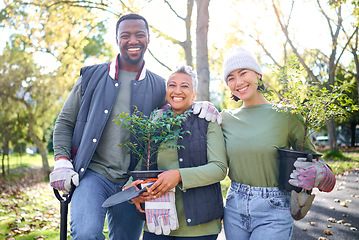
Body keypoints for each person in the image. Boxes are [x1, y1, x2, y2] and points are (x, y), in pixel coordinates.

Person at [49, 13, 219, 240]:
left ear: (148, 38)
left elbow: (177, 106)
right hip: (94, 174)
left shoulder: (160, 85)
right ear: (116, 39)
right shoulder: (91, 77)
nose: (133, 40)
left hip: (134, 180)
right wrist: (62, 160)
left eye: (139, 35)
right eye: (125, 35)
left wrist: (201, 106)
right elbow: (64, 122)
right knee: (86, 234)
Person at [220, 47, 336, 240]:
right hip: (234, 206)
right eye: (230, 78)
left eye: (243, 73)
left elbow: (313, 159)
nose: (238, 82)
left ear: (258, 74)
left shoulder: (287, 115)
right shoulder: (225, 118)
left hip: (274, 209)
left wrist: (321, 174)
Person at [128, 65, 228, 240]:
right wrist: (133, 192)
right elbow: (144, 164)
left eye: (185, 86)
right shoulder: (156, 121)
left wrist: (179, 175)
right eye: (172, 85)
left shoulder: (207, 120)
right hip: (157, 221)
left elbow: (219, 168)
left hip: (200, 225)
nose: (178, 91)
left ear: (194, 93)